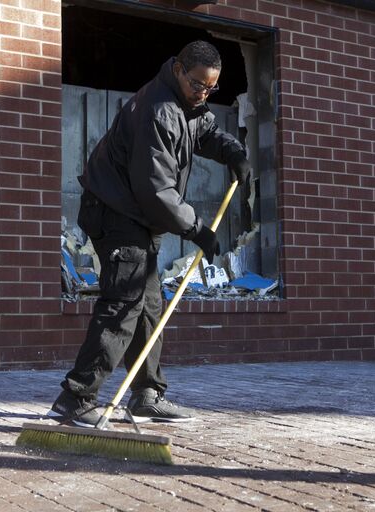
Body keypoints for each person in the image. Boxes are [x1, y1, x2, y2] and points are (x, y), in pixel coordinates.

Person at [48, 40, 252, 427]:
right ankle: (76, 397)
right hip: (117, 212)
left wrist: (234, 153)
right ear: (178, 69)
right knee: (125, 302)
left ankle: (146, 395)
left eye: (211, 88)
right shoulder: (158, 111)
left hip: (135, 216)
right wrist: (197, 229)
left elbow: (205, 130)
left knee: (149, 306)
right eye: (198, 84)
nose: (203, 93)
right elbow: (155, 189)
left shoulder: (186, 105)